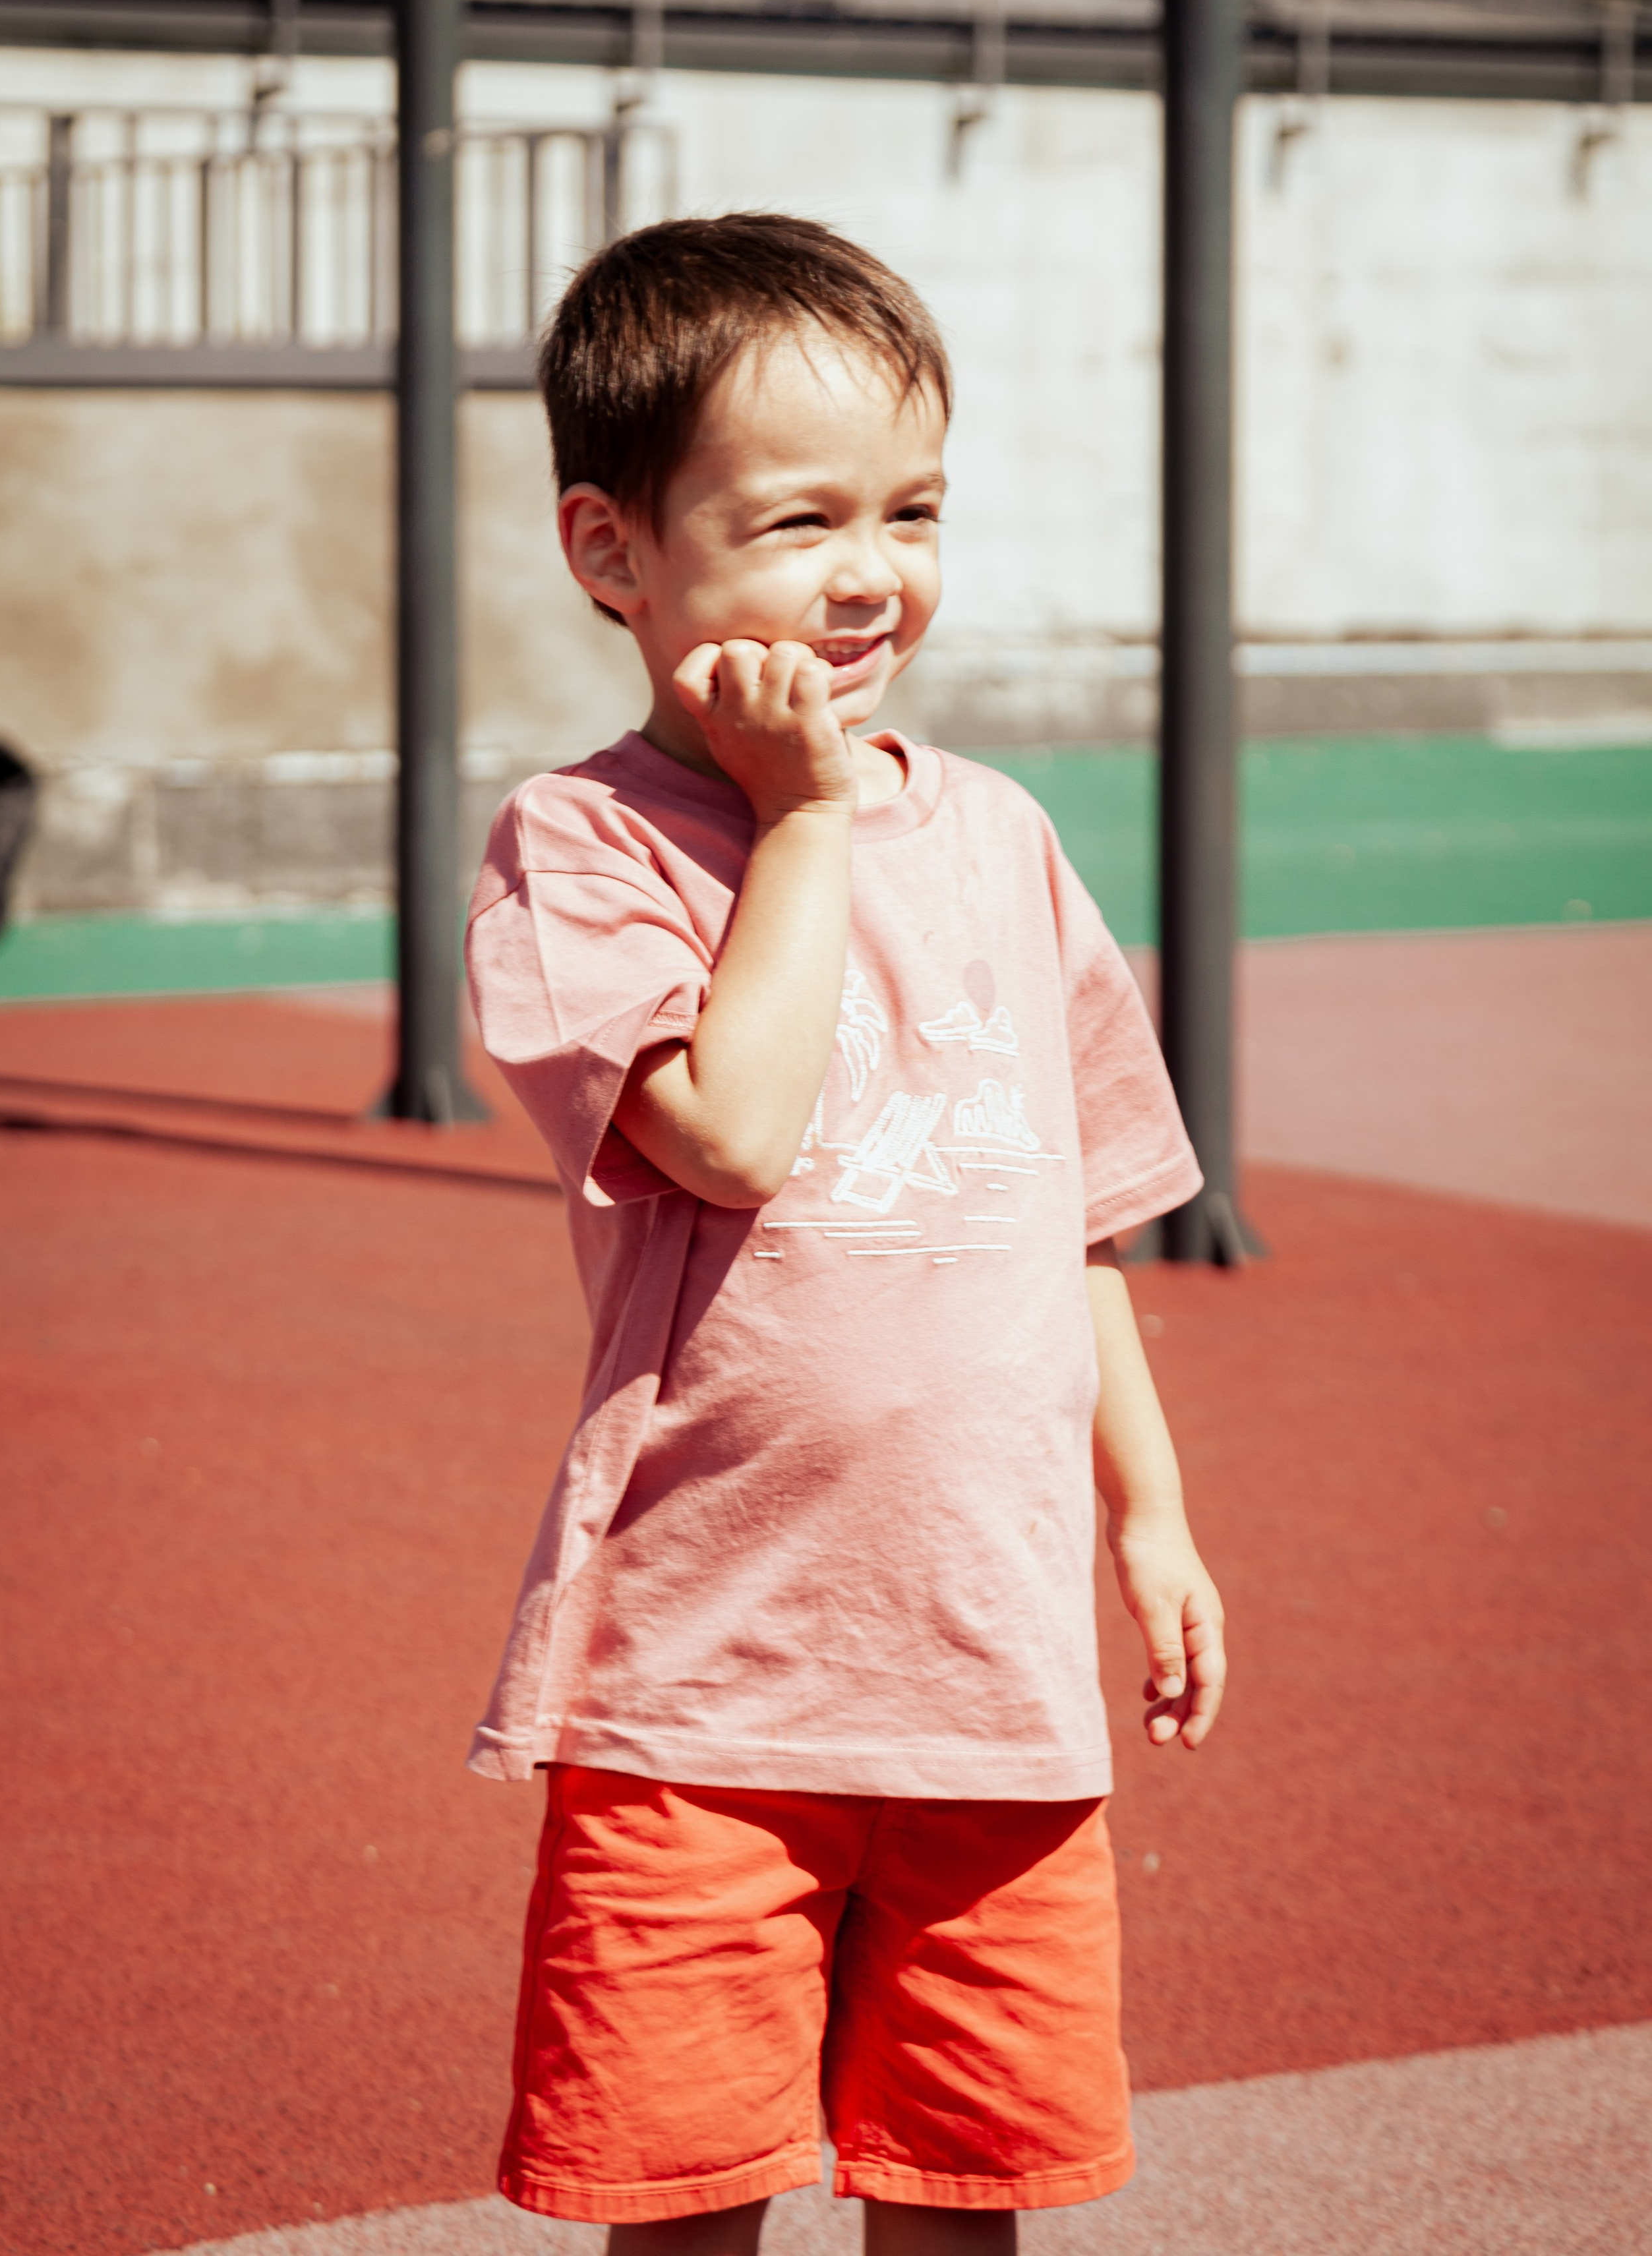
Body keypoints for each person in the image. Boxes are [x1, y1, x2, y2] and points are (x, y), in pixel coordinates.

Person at [465, 213, 1225, 2256]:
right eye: (800, 521)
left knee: (963, 2199)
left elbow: (1077, 1224)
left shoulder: (1000, 838)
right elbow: (723, 1129)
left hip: (990, 1677)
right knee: (687, 2206)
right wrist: (800, 819)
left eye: (915, 509)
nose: (874, 571)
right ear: (612, 550)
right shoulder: (585, 846)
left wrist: (1148, 1518)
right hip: (703, 1694)